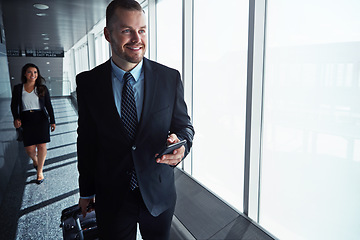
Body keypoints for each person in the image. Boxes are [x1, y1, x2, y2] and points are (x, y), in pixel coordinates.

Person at [76, 0, 194, 239]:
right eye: (126, 30)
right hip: (112, 196)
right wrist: (86, 191)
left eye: (141, 30)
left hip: (158, 193)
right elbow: (87, 140)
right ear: (108, 34)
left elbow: (184, 126)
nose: (137, 39)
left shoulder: (169, 78)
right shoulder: (89, 83)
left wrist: (182, 144)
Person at [11, 63, 56, 184]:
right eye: (30, 72)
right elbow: (14, 105)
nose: (33, 75)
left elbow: (48, 105)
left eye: (35, 72)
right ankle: (35, 160)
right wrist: (16, 118)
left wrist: (52, 121)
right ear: (25, 74)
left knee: (41, 146)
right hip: (26, 119)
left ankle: (40, 171)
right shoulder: (18, 89)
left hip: (41, 118)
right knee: (29, 149)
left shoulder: (42, 88)